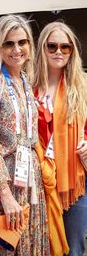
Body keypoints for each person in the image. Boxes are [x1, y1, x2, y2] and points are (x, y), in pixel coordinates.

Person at [0, 14, 50, 255]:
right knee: (3, 246)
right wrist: (5, 194)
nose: (17, 49)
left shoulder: (25, 79)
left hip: (28, 178)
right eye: (8, 43)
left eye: (22, 42)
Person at [33, 21, 87, 256]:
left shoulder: (83, 86)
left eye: (65, 47)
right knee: (42, 245)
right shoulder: (28, 85)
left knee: (74, 248)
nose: (58, 52)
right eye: (52, 46)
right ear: (42, 48)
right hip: (38, 180)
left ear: (72, 51)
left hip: (76, 179)